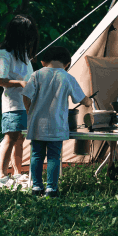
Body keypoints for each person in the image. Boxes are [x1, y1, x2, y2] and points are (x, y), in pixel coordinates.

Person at [22, 45, 86, 198]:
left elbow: (26, 95)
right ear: (67, 64)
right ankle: (51, 188)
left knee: (36, 155)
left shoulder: (37, 75)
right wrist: (88, 101)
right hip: (57, 124)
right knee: (53, 156)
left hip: (37, 123)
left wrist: (29, 110)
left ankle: (36, 187)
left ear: (43, 62)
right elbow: (81, 98)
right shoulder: (67, 77)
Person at [0, 15, 38, 188]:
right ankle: (2, 176)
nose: (29, 43)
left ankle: (17, 173)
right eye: (26, 39)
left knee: (20, 138)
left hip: (26, 103)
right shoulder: (4, 54)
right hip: (13, 104)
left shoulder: (24, 54)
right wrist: (19, 83)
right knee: (10, 138)